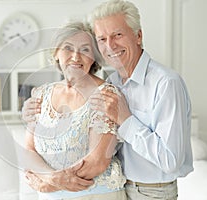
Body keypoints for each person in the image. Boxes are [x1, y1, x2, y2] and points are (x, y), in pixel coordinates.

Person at [22, 0, 193, 199]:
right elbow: (30, 148)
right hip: (120, 185)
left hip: (151, 191)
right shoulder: (114, 82)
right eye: (102, 39)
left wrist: (126, 119)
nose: (110, 45)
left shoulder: (166, 83)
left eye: (118, 35)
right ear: (56, 53)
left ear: (138, 36)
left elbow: (170, 160)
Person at [23, 21, 127, 200]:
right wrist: (52, 179)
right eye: (68, 48)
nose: (76, 57)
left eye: (85, 50)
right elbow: (29, 149)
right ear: (56, 53)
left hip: (95, 195)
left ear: (94, 56)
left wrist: (50, 184)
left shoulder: (105, 94)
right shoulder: (41, 94)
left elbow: (98, 161)